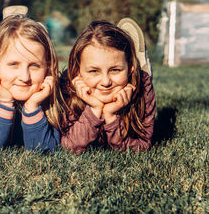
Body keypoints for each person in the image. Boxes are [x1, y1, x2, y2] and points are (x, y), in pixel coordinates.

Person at [60, 19, 156, 153]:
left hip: (135, 76)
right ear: (78, 72)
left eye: (115, 70)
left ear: (129, 70)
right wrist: (94, 109)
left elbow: (142, 146)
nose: (106, 82)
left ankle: (138, 63)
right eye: (94, 71)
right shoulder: (68, 85)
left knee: (141, 75)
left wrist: (111, 116)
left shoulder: (143, 85)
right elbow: (69, 147)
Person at [0, 15, 65, 152]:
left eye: (34, 65)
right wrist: (3, 102)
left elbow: (44, 151)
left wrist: (32, 107)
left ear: (47, 67)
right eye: (14, 64)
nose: (24, 77)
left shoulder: (51, 101)